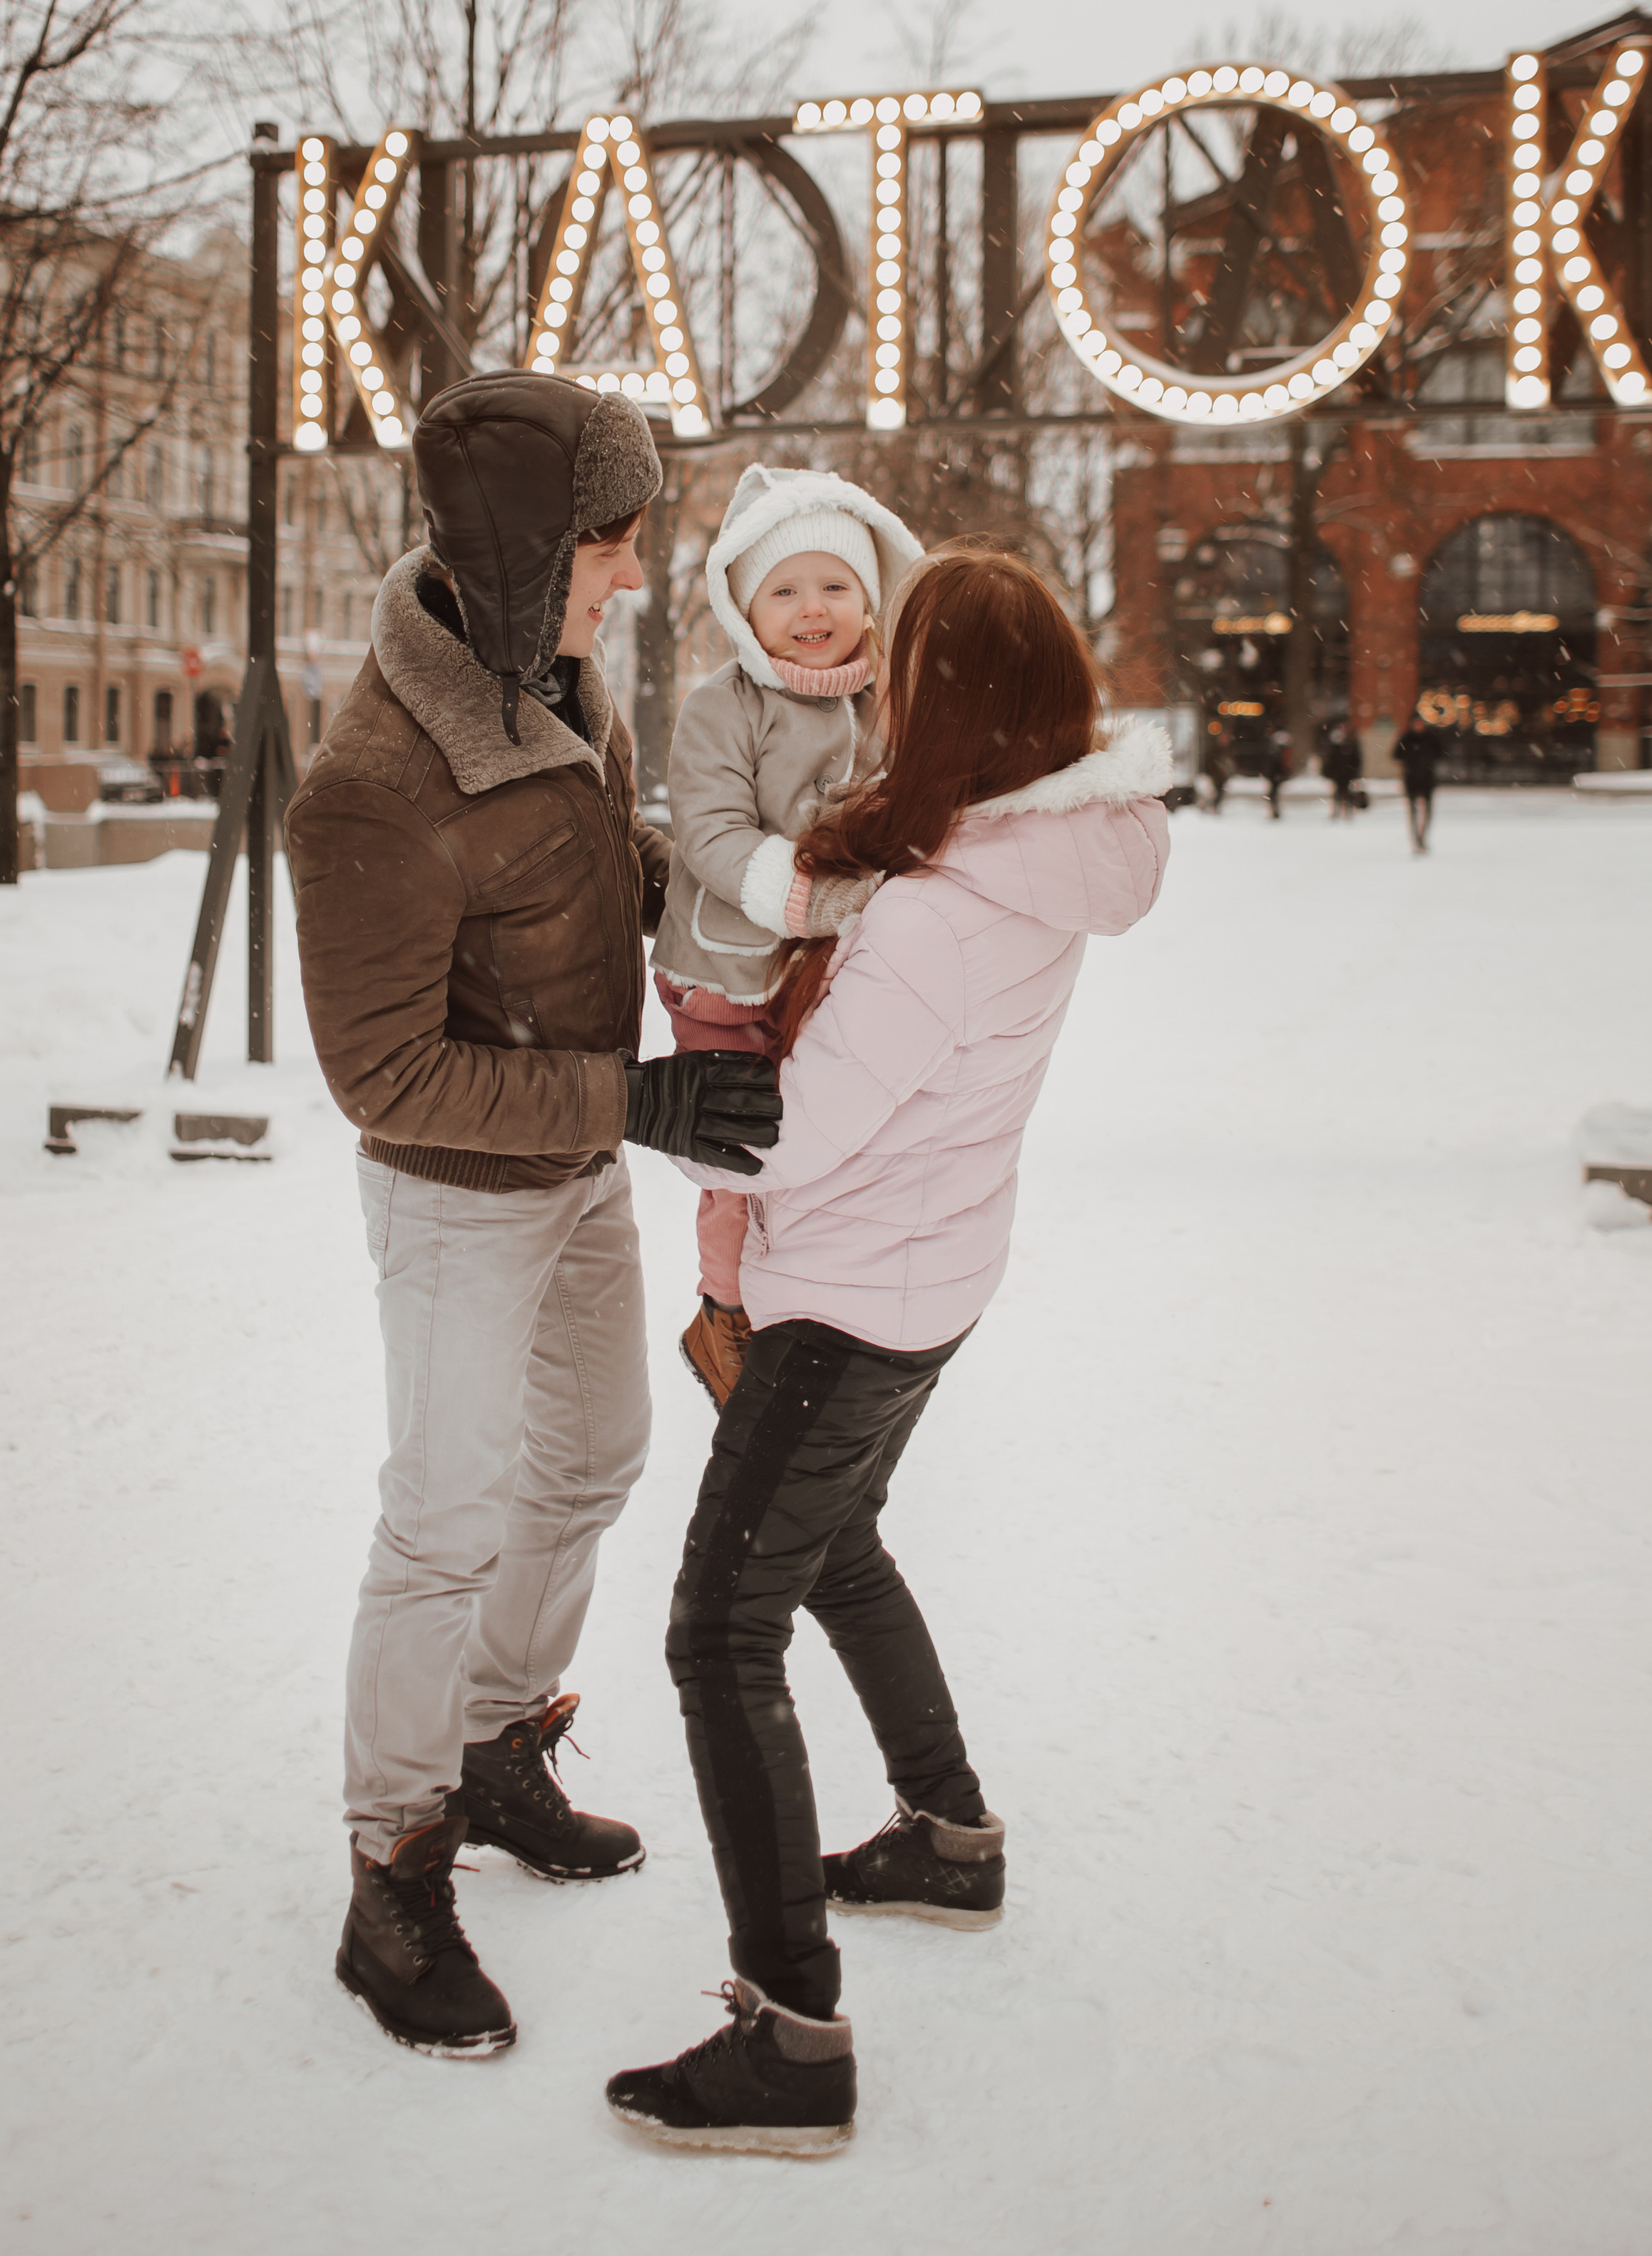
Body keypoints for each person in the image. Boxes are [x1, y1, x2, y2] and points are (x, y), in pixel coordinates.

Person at [605, 547, 1172, 2157]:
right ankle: (948, 1835)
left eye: (905, 660)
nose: (884, 684)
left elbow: (790, 1137)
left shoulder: (936, 914)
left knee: (722, 1635)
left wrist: (649, 1106)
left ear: (946, 698)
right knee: (833, 1542)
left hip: (847, 1302)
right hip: (930, 1274)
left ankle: (788, 2036)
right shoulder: (1029, 852)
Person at [285, 373, 780, 2063]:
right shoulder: (372, 783)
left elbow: (590, 858)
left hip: (570, 1169)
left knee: (595, 1455)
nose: (632, 577)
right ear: (520, 549)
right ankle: (390, 1859)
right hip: (454, 1195)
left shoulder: (557, 677)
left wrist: (727, 875)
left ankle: (494, 1741)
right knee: (443, 1513)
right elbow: (382, 1071)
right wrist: (627, 1103)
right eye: (609, 543)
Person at [651, 462, 922, 1404]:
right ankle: (723, 1312)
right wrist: (810, 896)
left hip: (834, 969)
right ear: (744, 605)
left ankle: (803, 1301)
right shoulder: (722, 707)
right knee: (740, 1151)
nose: (814, 609)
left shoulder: (883, 700)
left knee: (825, 1146)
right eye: (786, 590)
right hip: (729, 970)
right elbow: (714, 831)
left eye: (837, 586)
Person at [1393, 712, 1444, 852]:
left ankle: (1423, 838)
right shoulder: (1406, 738)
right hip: (1412, 779)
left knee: (1428, 812)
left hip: (1427, 779)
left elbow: (1440, 753)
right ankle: (1416, 840)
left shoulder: (1430, 738)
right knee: (1413, 812)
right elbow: (1396, 755)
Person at [1322, 720, 1362, 820]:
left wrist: (1355, 772)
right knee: (1338, 792)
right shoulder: (1335, 744)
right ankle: (1337, 811)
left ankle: (1348, 811)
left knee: (1348, 792)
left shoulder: (1352, 743)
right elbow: (1330, 759)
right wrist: (1329, 771)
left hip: (1348, 772)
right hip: (1338, 773)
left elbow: (1357, 759)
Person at [1264, 720, 1291, 820]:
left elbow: (1283, 756)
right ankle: (1275, 811)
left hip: (1276, 770)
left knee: (1273, 792)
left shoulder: (1278, 739)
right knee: (1273, 792)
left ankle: (1275, 812)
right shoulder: (1280, 739)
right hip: (1276, 770)